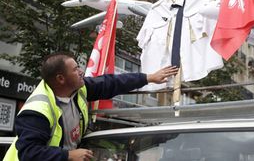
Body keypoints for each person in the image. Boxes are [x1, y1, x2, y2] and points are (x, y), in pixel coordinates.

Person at [4, 52, 178, 161]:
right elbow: (28, 153)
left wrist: (148, 78)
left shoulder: (78, 89)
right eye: (75, 69)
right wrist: (68, 155)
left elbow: (111, 83)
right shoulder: (37, 111)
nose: (81, 71)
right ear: (60, 79)